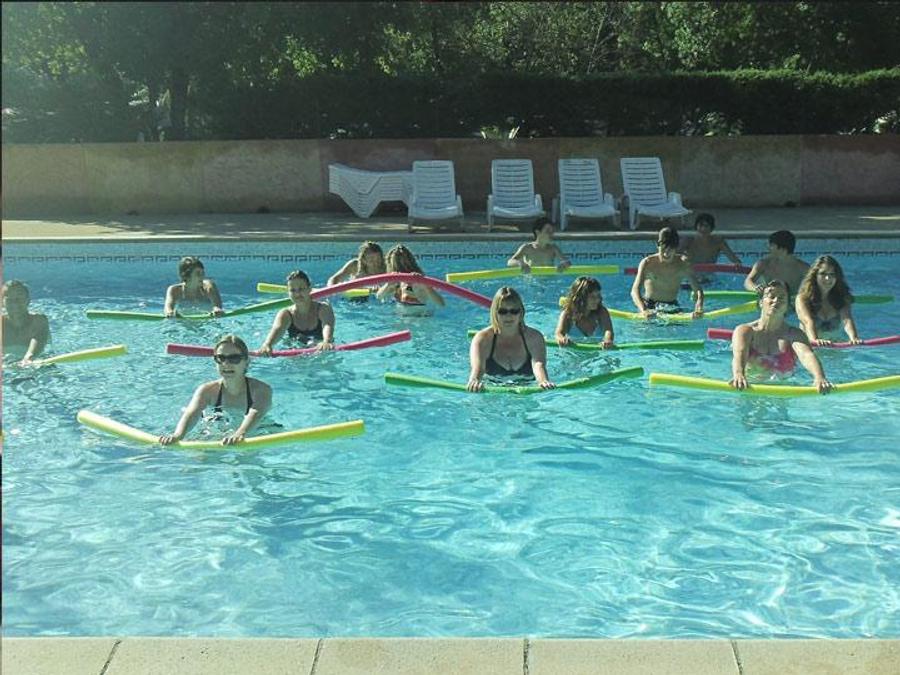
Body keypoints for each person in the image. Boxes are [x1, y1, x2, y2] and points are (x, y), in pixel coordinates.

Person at [160, 335, 272, 445]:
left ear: (246, 361)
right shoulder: (207, 391)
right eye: (221, 358)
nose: (226, 364)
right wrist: (178, 435)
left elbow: (256, 413)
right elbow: (192, 413)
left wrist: (239, 434)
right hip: (221, 433)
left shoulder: (261, 390)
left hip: (260, 432)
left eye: (234, 358)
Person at [729, 279, 832, 394]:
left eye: (782, 298)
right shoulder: (745, 331)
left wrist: (819, 377)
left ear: (787, 306)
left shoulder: (794, 334)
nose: (776, 300)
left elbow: (806, 355)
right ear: (761, 302)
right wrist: (738, 374)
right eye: (771, 296)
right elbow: (739, 354)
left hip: (782, 392)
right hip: (750, 389)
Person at [467, 286, 554, 392]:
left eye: (514, 311)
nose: (508, 316)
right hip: (493, 393)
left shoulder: (534, 338)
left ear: (521, 313)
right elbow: (478, 368)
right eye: (503, 311)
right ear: (495, 313)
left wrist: (543, 381)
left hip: (526, 393)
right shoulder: (482, 339)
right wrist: (474, 380)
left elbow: (538, 364)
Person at [630, 227, 704, 318]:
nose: (666, 254)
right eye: (663, 249)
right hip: (649, 306)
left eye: (670, 250)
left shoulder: (683, 264)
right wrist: (644, 310)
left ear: (676, 248)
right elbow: (634, 291)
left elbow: (698, 289)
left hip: (672, 306)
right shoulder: (648, 263)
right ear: (658, 246)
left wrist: (699, 306)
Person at [258, 270, 335, 354]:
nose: (297, 294)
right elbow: (277, 329)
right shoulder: (286, 314)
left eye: (301, 289)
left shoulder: (323, 308)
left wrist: (326, 341)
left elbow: (327, 325)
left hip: (320, 352)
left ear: (310, 289)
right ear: (288, 293)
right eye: (292, 290)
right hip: (295, 352)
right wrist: (267, 345)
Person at [795, 255, 861, 346]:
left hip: (834, 345)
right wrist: (815, 340)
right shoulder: (803, 298)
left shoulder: (842, 298)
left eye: (832, 274)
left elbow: (847, 320)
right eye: (823, 274)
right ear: (815, 275)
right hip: (809, 346)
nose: (827, 278)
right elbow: (807, 321)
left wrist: (854, 338)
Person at [743, 230, 809, 298]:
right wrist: (755, 288)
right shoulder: (763, 264)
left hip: (792, 302)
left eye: (771, 245)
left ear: (782, 249)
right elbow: (748, 281)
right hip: (769, 301)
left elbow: (813, 287)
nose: (768, 248)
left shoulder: (803, 268)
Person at [375, 244, 445, 307]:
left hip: (420, 316)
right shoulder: (394, 284)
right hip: (401, 316)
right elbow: (379, 296)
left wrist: (425, 285)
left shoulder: (418, 282)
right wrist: (388, 284)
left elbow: (441, 303)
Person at [1, 280, 50, 365]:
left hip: (39, 364)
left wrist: (29, 357)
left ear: (28, 300)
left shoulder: (39, 320)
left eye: (19, 299)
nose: (15, 304)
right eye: (9, 300)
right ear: (2, 303)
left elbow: (39, 338)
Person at [555, 276, 614, 348]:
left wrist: (608, 340)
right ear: (581, 298)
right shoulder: (567, 314)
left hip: (597, 354)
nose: (597, 300)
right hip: (572, 353)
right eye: (592, 297)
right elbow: (558, 333)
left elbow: (608, 330)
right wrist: (561, 339)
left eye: (598, 296)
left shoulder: (602, 312)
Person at [507, 218, 572, 273]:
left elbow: (567, 262)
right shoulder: (527, 248)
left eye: (552, 231)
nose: (551, 234)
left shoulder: (553, 248)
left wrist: (564, 264)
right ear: (537, 232)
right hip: (532, 281)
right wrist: (520, 264)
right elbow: (510, 262)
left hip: (549, 281)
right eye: (548, 231)